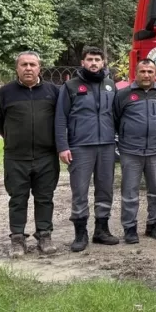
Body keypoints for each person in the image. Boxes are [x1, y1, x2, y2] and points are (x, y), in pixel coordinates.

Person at [0, 51, 61, 257]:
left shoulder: (52, 91)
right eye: (24, 65)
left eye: (32, 64)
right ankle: (17, 238)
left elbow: (60, 120)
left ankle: (44, 235)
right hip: (16, 157)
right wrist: (14, 138)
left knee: (45, 197)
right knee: (17, 198)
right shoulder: (6, 92)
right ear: (17, 68)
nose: (28, 68)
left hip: (46, 156)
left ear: (40, 68)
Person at [56, 46, 119, 252]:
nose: (94, 63)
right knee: (80, 191)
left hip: (107, 146)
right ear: (82, 62)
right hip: (80, 146)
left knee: (105, 189)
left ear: (103, 63)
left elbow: (117, 116)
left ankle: (101, 230)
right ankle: (80, 234)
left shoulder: (110, 85)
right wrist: (63, 146)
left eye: (97, 60)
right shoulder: (70, 86)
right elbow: (60, 119)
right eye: (90, 59)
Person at [113, 58, 156, 244]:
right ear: (136, 73)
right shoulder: (123, 95)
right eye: (143, 71)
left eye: (150, 72)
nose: (146, 75)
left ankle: (153, 224)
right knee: (130, 191)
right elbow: (116, 119)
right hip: (131, 151)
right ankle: (130, 228)